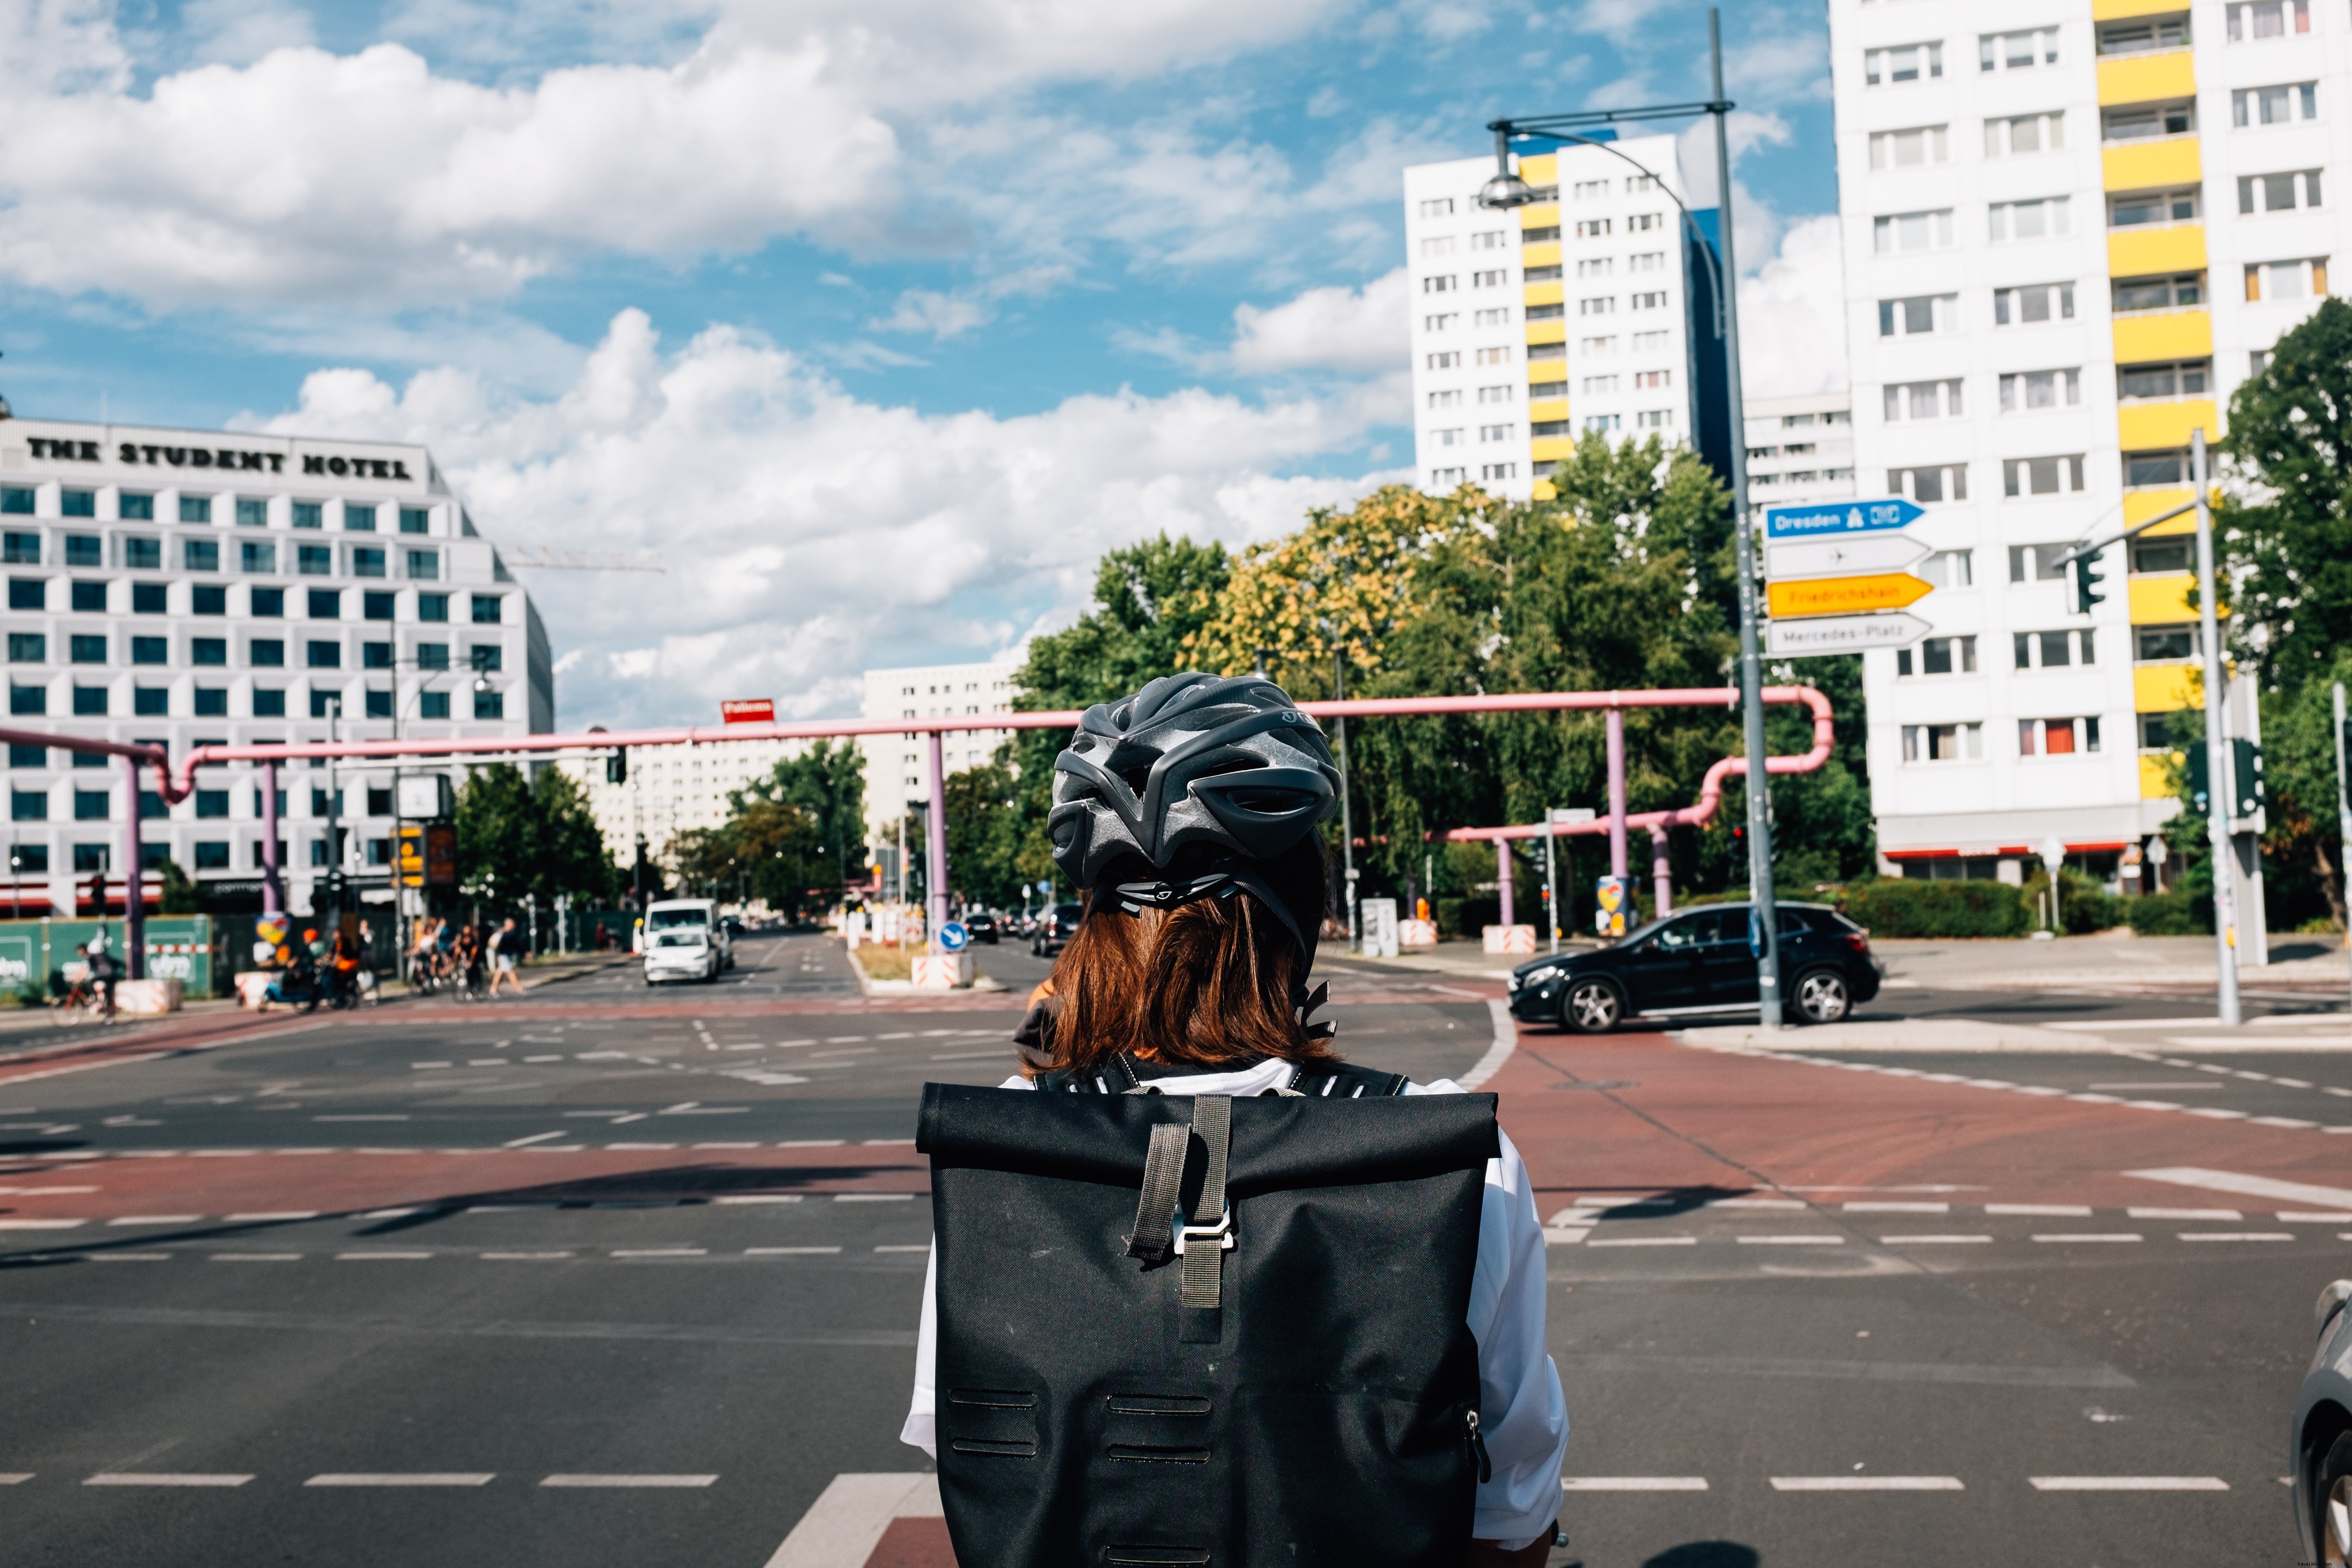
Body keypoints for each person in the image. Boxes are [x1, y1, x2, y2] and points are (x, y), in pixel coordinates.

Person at [902, 674, 1567, 1564]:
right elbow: (1514, 1513)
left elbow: (976, 1464)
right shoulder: (1447, 1152)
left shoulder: (1002, 1149)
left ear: (1095, 927)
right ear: (1311, 910)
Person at [487, 916, 527, 996]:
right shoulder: (505, 934)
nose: (514, 925)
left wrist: (523, 953)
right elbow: (498, 946)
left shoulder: (509, 933)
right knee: (511, 972)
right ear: (507, 924)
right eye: (512, 924)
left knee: (500, 974)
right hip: (503, 956)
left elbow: (516, 946)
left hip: (508, 956)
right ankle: (519, 989)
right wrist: (497, 957)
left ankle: (493, 989)